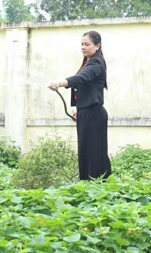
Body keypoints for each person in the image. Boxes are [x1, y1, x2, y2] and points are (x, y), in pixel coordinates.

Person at [48, 30, 112, 181]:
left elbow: (82, 78)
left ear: (97, 46)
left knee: (95, 153)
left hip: (94, 114)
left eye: (87, 44)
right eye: (82, 44)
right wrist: (80, 109)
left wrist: (61, 82)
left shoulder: (97, 63)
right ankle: (89, 185)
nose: (83, 47)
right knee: (86, 152)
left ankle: (98, 185)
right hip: (87, 112)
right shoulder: (87, 62)